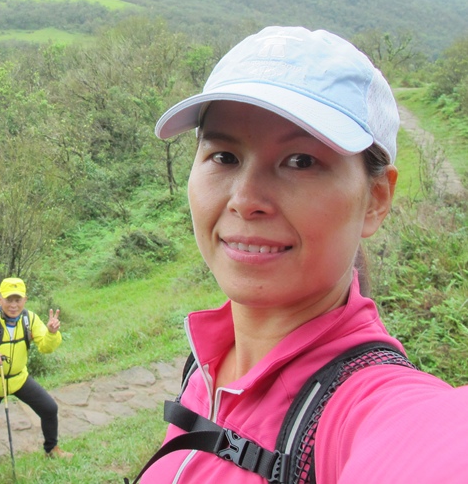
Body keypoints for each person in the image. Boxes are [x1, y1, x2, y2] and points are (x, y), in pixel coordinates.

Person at [137, 26, 468, 482]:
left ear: (375, 199)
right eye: (224, 156)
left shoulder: (362, 410)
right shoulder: (207, 359)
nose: (245, 198)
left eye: (301, 161)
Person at [0, 277, 72, 466]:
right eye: (9, 300)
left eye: (18, 300)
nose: (13, 305)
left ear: (25, 300)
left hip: (19, 377)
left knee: (49, 408)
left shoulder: (30, 319)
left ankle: (52, 448)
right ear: (0, 299)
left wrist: (51, 333)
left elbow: (45, 347)